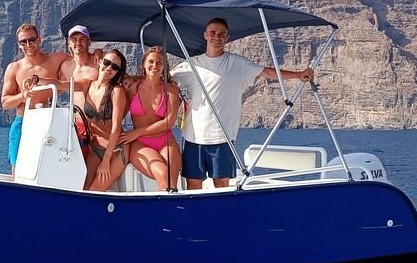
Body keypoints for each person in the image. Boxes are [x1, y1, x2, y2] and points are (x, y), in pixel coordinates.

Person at [171, 18, 315, 190]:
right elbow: (160, 78)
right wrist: (131, 81)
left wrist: (298, 75)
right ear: (205, 35)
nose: (217, 37)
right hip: (193, 136)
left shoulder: (237, 63)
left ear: (227, 38)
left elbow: (267, 72)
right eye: (213, 33)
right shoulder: (191, 64)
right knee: (193, 186)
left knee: (222, 187)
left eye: (222, 34)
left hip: (222, 137)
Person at [0, 23, 70, 176]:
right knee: (18, 170)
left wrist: (97, 53)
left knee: (47, 169)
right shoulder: (14, 68)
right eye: (23, 42)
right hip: (22, 122)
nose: (28, 45)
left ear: (39, 40)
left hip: (48, 123)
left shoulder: (56, 59)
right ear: (19, 45)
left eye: (31, 40)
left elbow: (81, 61)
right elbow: (5, 102)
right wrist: (23, 95)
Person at [120, 46, 183, 191]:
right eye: (151, 62)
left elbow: (169, 122)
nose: (155, 66)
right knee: (163, 173)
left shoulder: (171, 90)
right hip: (140, 143)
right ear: (143, 63)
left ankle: (170, 212)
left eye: (159, 63)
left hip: (165, 139)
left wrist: (136, 132)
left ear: (164, 67)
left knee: (172, 184)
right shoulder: (132, 87)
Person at [73, 49, 129, 191]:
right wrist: (37, 80)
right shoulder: (88, 85)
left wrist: (106, 160)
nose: (109, 68)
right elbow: (61, 84)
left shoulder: (117, 91)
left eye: (115, 67)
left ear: (118, 72)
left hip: (116, 148)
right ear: (100, 62)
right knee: (82, 189)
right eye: (107, 62)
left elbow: (116, 128)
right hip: (95, 146)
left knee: (94, 190)